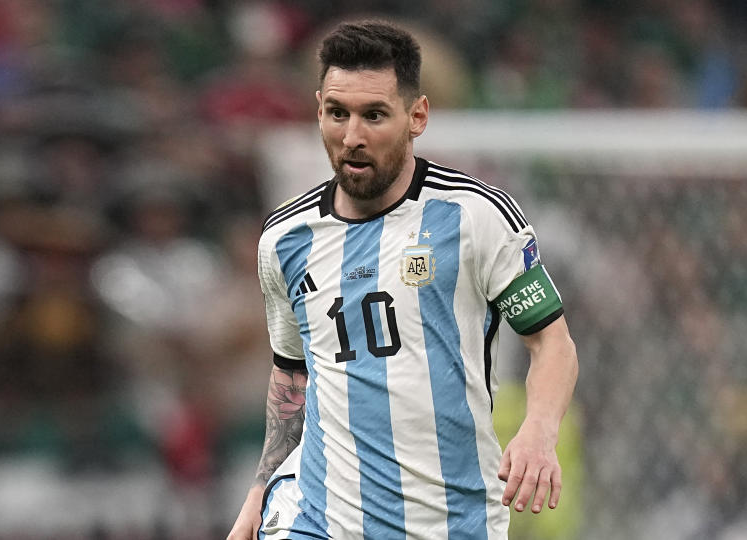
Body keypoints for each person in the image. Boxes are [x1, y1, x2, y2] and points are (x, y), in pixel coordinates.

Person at [227, 20, 578, 540]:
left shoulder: (476, 216)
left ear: (418, 117)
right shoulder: (285, 239)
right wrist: (260, 490)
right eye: (336, 114)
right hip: (318, 517)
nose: (352, 137)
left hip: (449, 521)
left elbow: (552, 342)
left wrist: (538, 432)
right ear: (318, 107)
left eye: (374, 116)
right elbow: (292, 377)